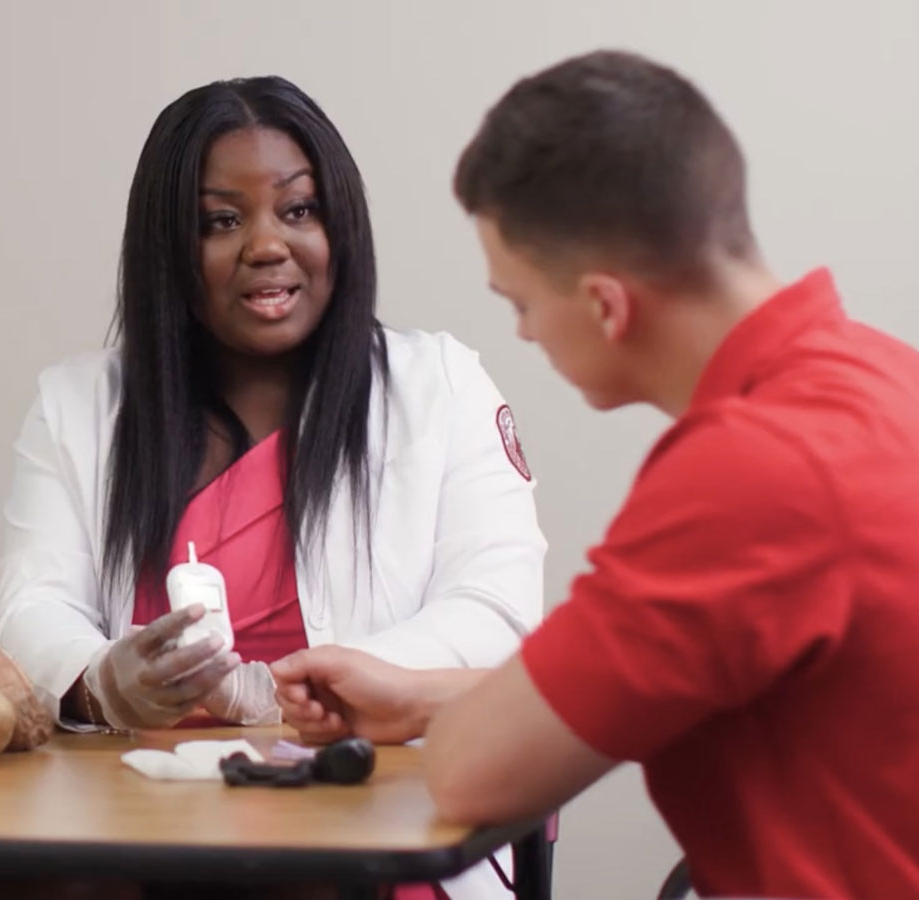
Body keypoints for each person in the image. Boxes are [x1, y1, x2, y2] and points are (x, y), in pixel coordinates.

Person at [273, 50, 919, 900]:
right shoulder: (882, 377)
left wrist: (451, 721)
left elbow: (476, 776)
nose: (527, 335)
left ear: (606, 306)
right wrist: (426, 697)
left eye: (521, 303)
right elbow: (677, 673)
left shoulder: (748, 478)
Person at [0, 76, 545, 900]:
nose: (266, 245)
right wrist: (106, 680)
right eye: (221, 220)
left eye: (298, 210)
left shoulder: (442, 385)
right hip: (132, 821)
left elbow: (495, 611)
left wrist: (301, 689)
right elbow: (29, 608)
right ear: (167, 248)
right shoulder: (78, 405)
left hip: (367, 821)